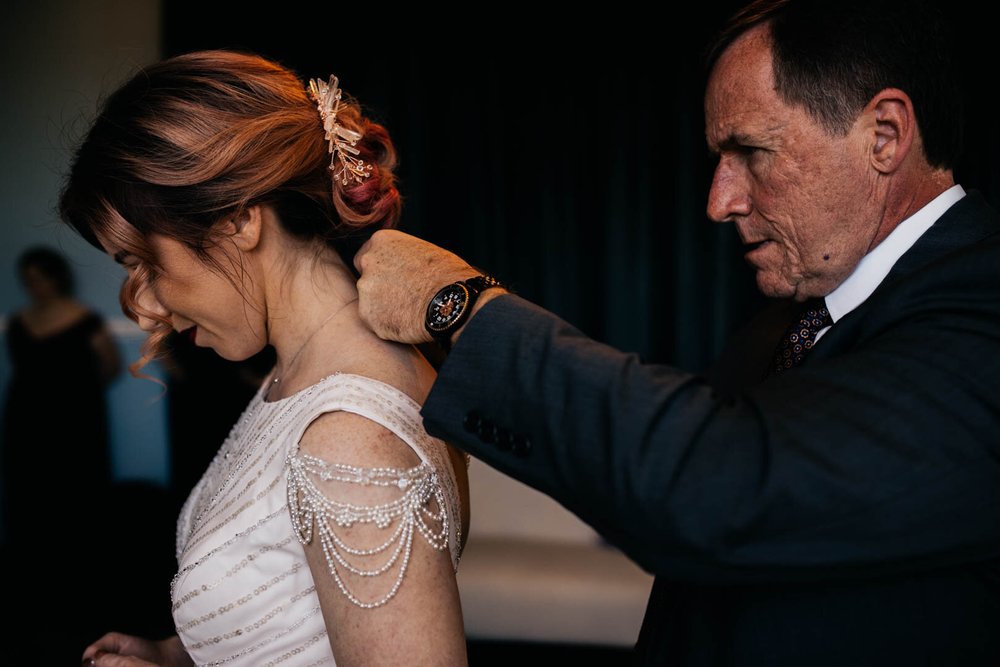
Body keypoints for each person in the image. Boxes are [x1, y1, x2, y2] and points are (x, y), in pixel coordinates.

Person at [352, 0, 1000, 664]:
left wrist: (461, 307)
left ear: (885, 136)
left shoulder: (983, 314)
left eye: (751, 151)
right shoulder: (794, 318)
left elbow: (718, 484)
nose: (720, 202)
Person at [59, 50, 470, 666]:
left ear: (236, 221)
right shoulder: (302, 373)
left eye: (146, 263)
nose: (144, 308)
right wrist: (180, 655)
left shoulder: (348, 439)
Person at [3, 245, 121, 545]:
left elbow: (111, 365)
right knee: (30, 488)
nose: (34, 286)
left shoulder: (85, 319)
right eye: (28, 279)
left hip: (75, 418)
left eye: (40, 277)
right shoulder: (19, 322)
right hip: (26, 415)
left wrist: (78, 396)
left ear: (56, 277)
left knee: (76, 488)